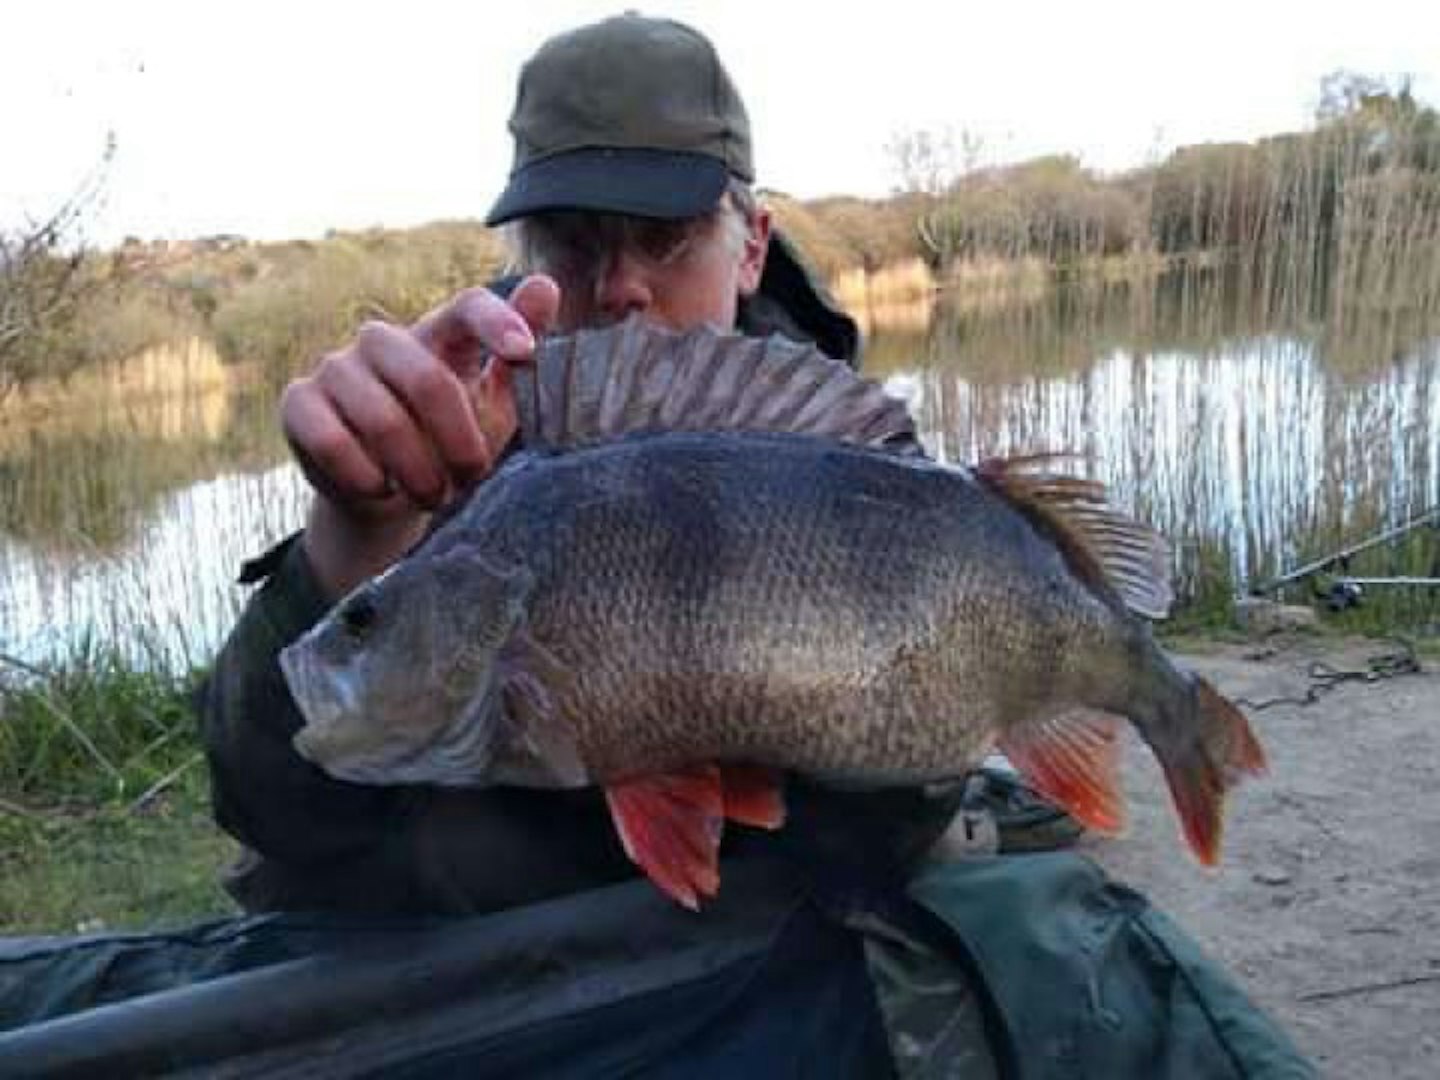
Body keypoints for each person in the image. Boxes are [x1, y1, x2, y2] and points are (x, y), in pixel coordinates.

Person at [191, 14, 1311, 1075]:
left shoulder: (861, 471)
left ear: (751, 242)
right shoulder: (431, 458)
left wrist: (848, 725)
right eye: (573, 243)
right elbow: (275, 807)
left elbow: (899, 826)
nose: (621, 285)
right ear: (520, 248)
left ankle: (1175, 721)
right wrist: (340, 551)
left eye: (667, 235)